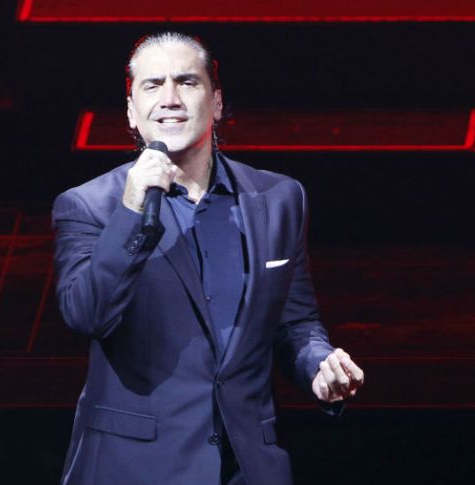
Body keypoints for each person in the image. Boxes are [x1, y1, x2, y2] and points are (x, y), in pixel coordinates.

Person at [51, 32, 364, 485]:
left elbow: (295, 322)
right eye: (153, 85)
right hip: (134, 468)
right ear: (132, 113)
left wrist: (318, 365)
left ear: (216, 103)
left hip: (246, 467)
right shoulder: (89, 205)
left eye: (187, 82)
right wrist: (132, 210)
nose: (170, 98)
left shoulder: (279, 198)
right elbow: (87, 314)